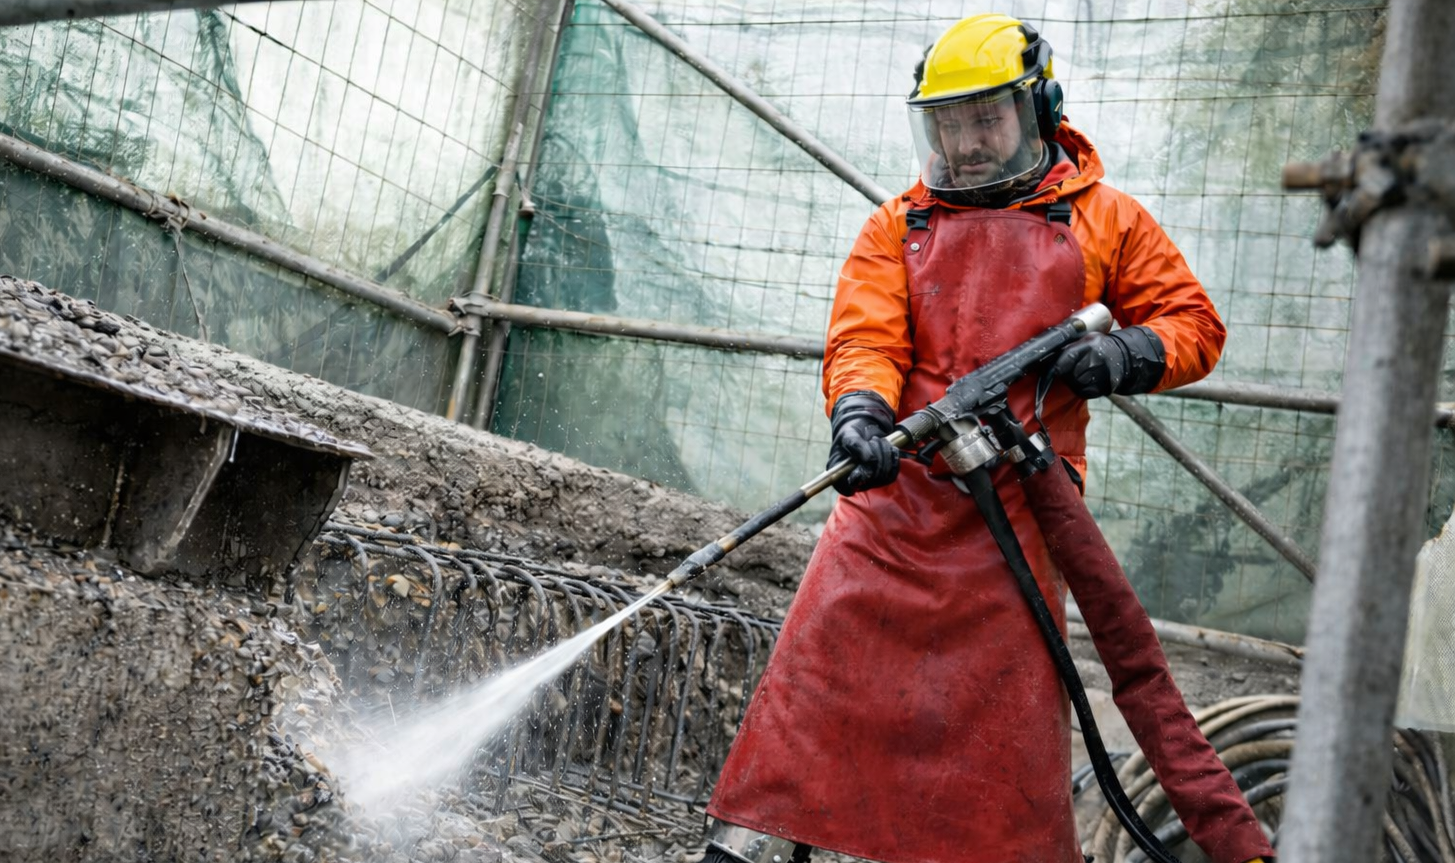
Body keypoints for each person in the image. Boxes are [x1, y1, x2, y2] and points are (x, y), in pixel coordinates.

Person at [701, 13, 1277, 863]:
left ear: (1036, 110)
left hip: (1021, 510)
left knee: (999, 725)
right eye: (947, 124)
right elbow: (866, 341)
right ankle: (748, 843)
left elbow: (1193, 323)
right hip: (893, 509)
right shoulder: (899, 226)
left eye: (985, 119)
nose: (965, 144)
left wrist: (1123, 354)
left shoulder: (1105, 220)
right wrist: (859, 414)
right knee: (814, 693)